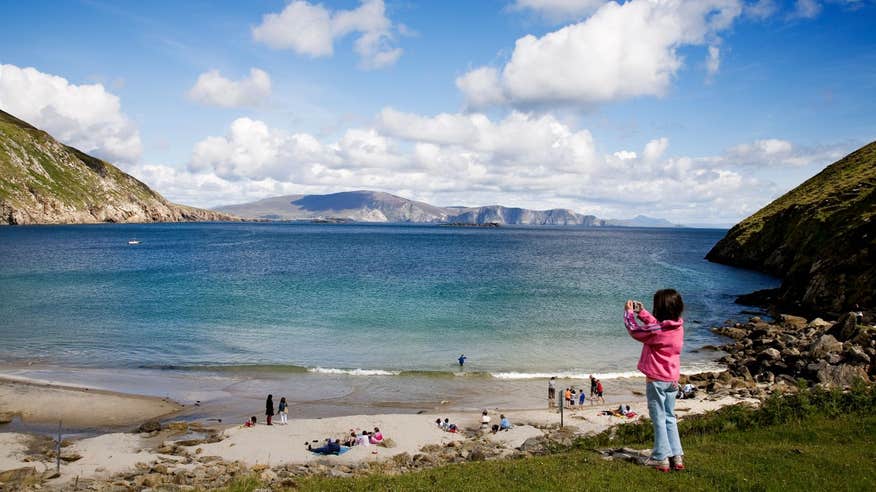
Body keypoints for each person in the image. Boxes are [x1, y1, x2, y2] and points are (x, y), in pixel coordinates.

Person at [624, 290, 686, 472]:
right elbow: (658, 326)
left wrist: (628, 313)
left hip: (656, 380)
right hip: (672, 379)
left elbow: (634, 330)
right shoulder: (678, 327)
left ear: (659, 308)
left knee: (658, 418)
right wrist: (642, 313)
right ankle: (676, 456)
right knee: (669, 417)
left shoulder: (657, 331)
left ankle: (661, 458)